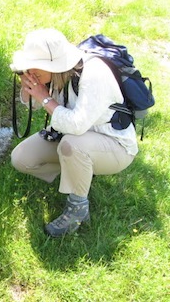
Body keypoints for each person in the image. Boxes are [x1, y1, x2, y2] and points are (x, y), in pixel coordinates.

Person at [10, 28, 138, 237]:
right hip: (75, 139)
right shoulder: (57, 75)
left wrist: (45, 99)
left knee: (73, 144)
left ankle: (77, 210)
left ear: (51, 65)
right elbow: (32, 105)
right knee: (21, 158)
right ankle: (79, 172)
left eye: (34, 69)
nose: (29, 73)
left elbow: (77, 125)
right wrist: (28, 89)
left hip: (115, 147)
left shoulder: (94, 73)